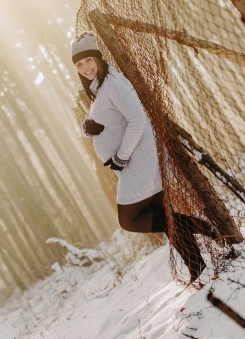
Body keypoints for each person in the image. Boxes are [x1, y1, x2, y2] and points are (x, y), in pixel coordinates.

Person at [71, 31, 217, 283]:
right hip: (135, 161)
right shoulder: (99, 87)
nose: (85, 67)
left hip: (139, 159)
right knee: (162, 213)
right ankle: (197, 266)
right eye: (79, 64)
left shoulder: (113, 83)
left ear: (97, 57)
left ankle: (199, 225)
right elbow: (109, 116)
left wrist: (121, 157)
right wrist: (89, 125)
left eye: (88, 60)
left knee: (130, 219)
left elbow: (137, 120)